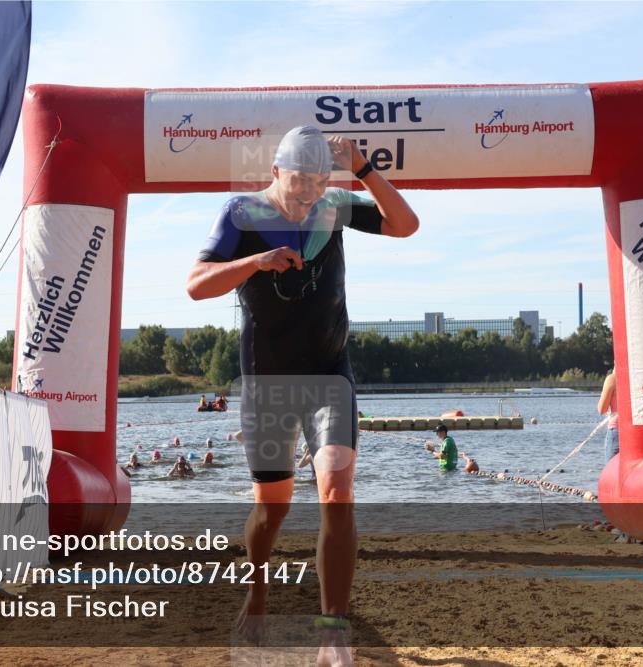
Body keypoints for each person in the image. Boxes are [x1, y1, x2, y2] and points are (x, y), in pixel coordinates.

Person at [186, 125, 418, 664]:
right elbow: (196, 284)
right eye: (299, 182)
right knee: (273, 510)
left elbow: (406, 225)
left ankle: (332, 631)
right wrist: (255, 263)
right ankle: (259, 592)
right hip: (267, 381)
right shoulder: (241, 214)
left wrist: (361, 168)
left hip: (328, 374)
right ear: (274, 172)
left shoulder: (333, 207)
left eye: (319, 182)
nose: (309, 192)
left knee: (337, 485)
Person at [597, 369, 619, 463]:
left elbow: (602, 409)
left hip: (617, 429)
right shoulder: (637, 376)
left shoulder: (613, 379)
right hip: (636, 428)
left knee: (611, 470)